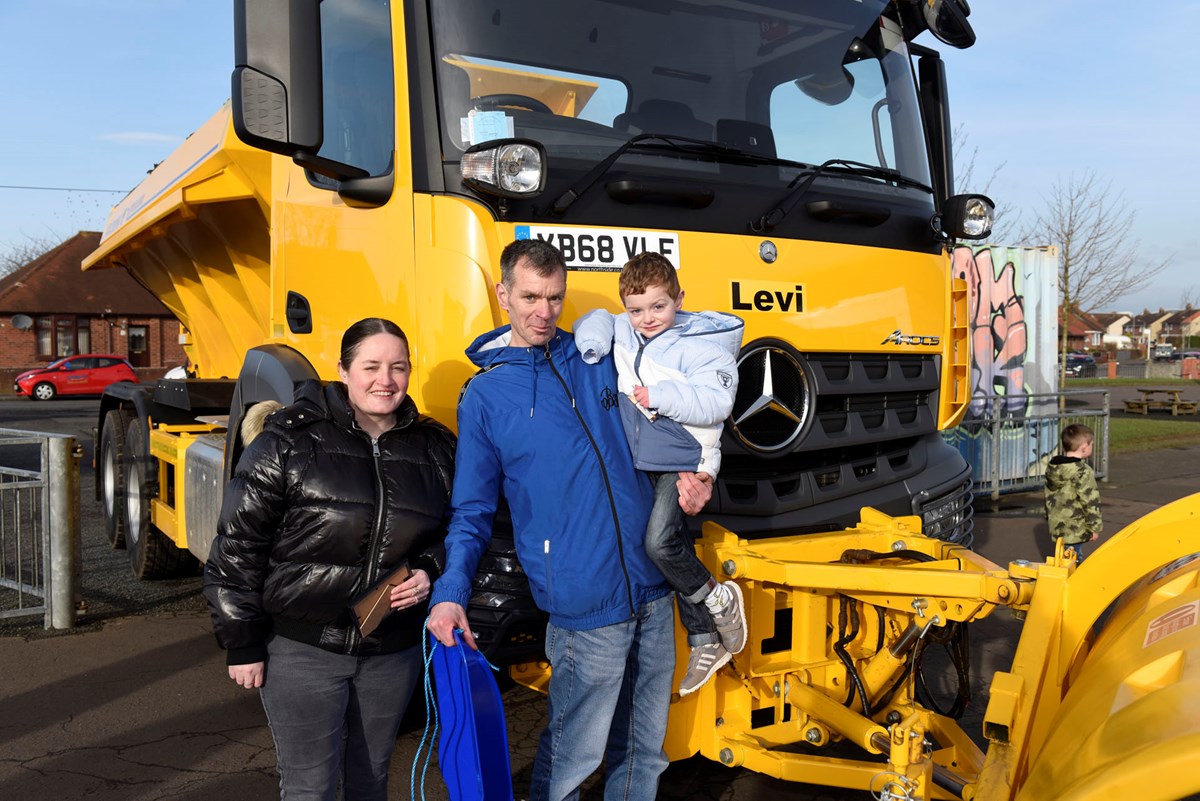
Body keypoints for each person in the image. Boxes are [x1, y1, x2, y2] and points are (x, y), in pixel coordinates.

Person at [426, 238, 712, 801]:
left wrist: (698, 476)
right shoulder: (485, 396)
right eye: (530, 297)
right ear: (503, 294)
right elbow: (473, 508)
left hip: (653, 590)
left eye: (555, 297)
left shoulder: (600, 358)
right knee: (572, 759)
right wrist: (450, 589)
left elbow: (669, 426)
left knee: (644, 754)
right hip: (583, 602)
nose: (544, 312)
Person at [203, 318, 456, 801]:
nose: (386, 379)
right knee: (310, 787)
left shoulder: (436, 447)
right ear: (342, 370)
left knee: (370, 781)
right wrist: (242, 643)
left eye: (398, 367)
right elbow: (237, 548)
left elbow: (460, 531)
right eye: (372, 366)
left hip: (390, 650)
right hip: (302, 653)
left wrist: (429, 570)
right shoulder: (288, 442)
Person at [573, 251, 746, 695]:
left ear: (679, 299)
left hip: (682, 459)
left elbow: (717, 404)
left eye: (658, 307)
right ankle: (706, 638)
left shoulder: (702, 345)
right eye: (635, 310)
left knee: (659, 543)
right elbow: (597, 318)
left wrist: (660, 395)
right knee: (669, 546)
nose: (646, 318)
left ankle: (717, 597)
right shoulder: (629, 331)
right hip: (646, 460)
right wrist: (594, 343)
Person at [1044, 423, 1102, 561]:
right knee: (1073, 560)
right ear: (1084, 448)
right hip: (1075, 526)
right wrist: (1094, 527)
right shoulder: (1082, 470)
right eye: (1091, 445)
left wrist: (1049, 516)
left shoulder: (1054, 467)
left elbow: (1049, 495)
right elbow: (1090, 500)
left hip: (1057, 523)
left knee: (1062, 557)